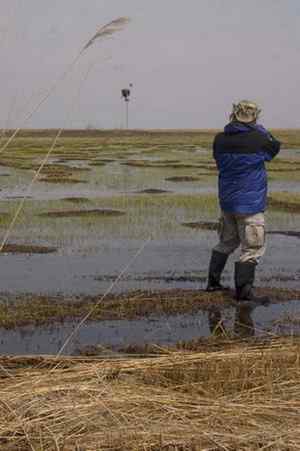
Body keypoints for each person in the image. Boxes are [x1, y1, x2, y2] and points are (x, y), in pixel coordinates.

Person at [206, 100, 281, 301]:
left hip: (227, 203)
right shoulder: (259, 137)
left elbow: (218, 158)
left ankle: (213, 283)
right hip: (250, 205)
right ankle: (244, 293)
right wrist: (259, 128)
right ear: (254, 117)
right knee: (252, 248)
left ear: (233, 115)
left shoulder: (219, 139)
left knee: (226, 242)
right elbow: (275, 147)